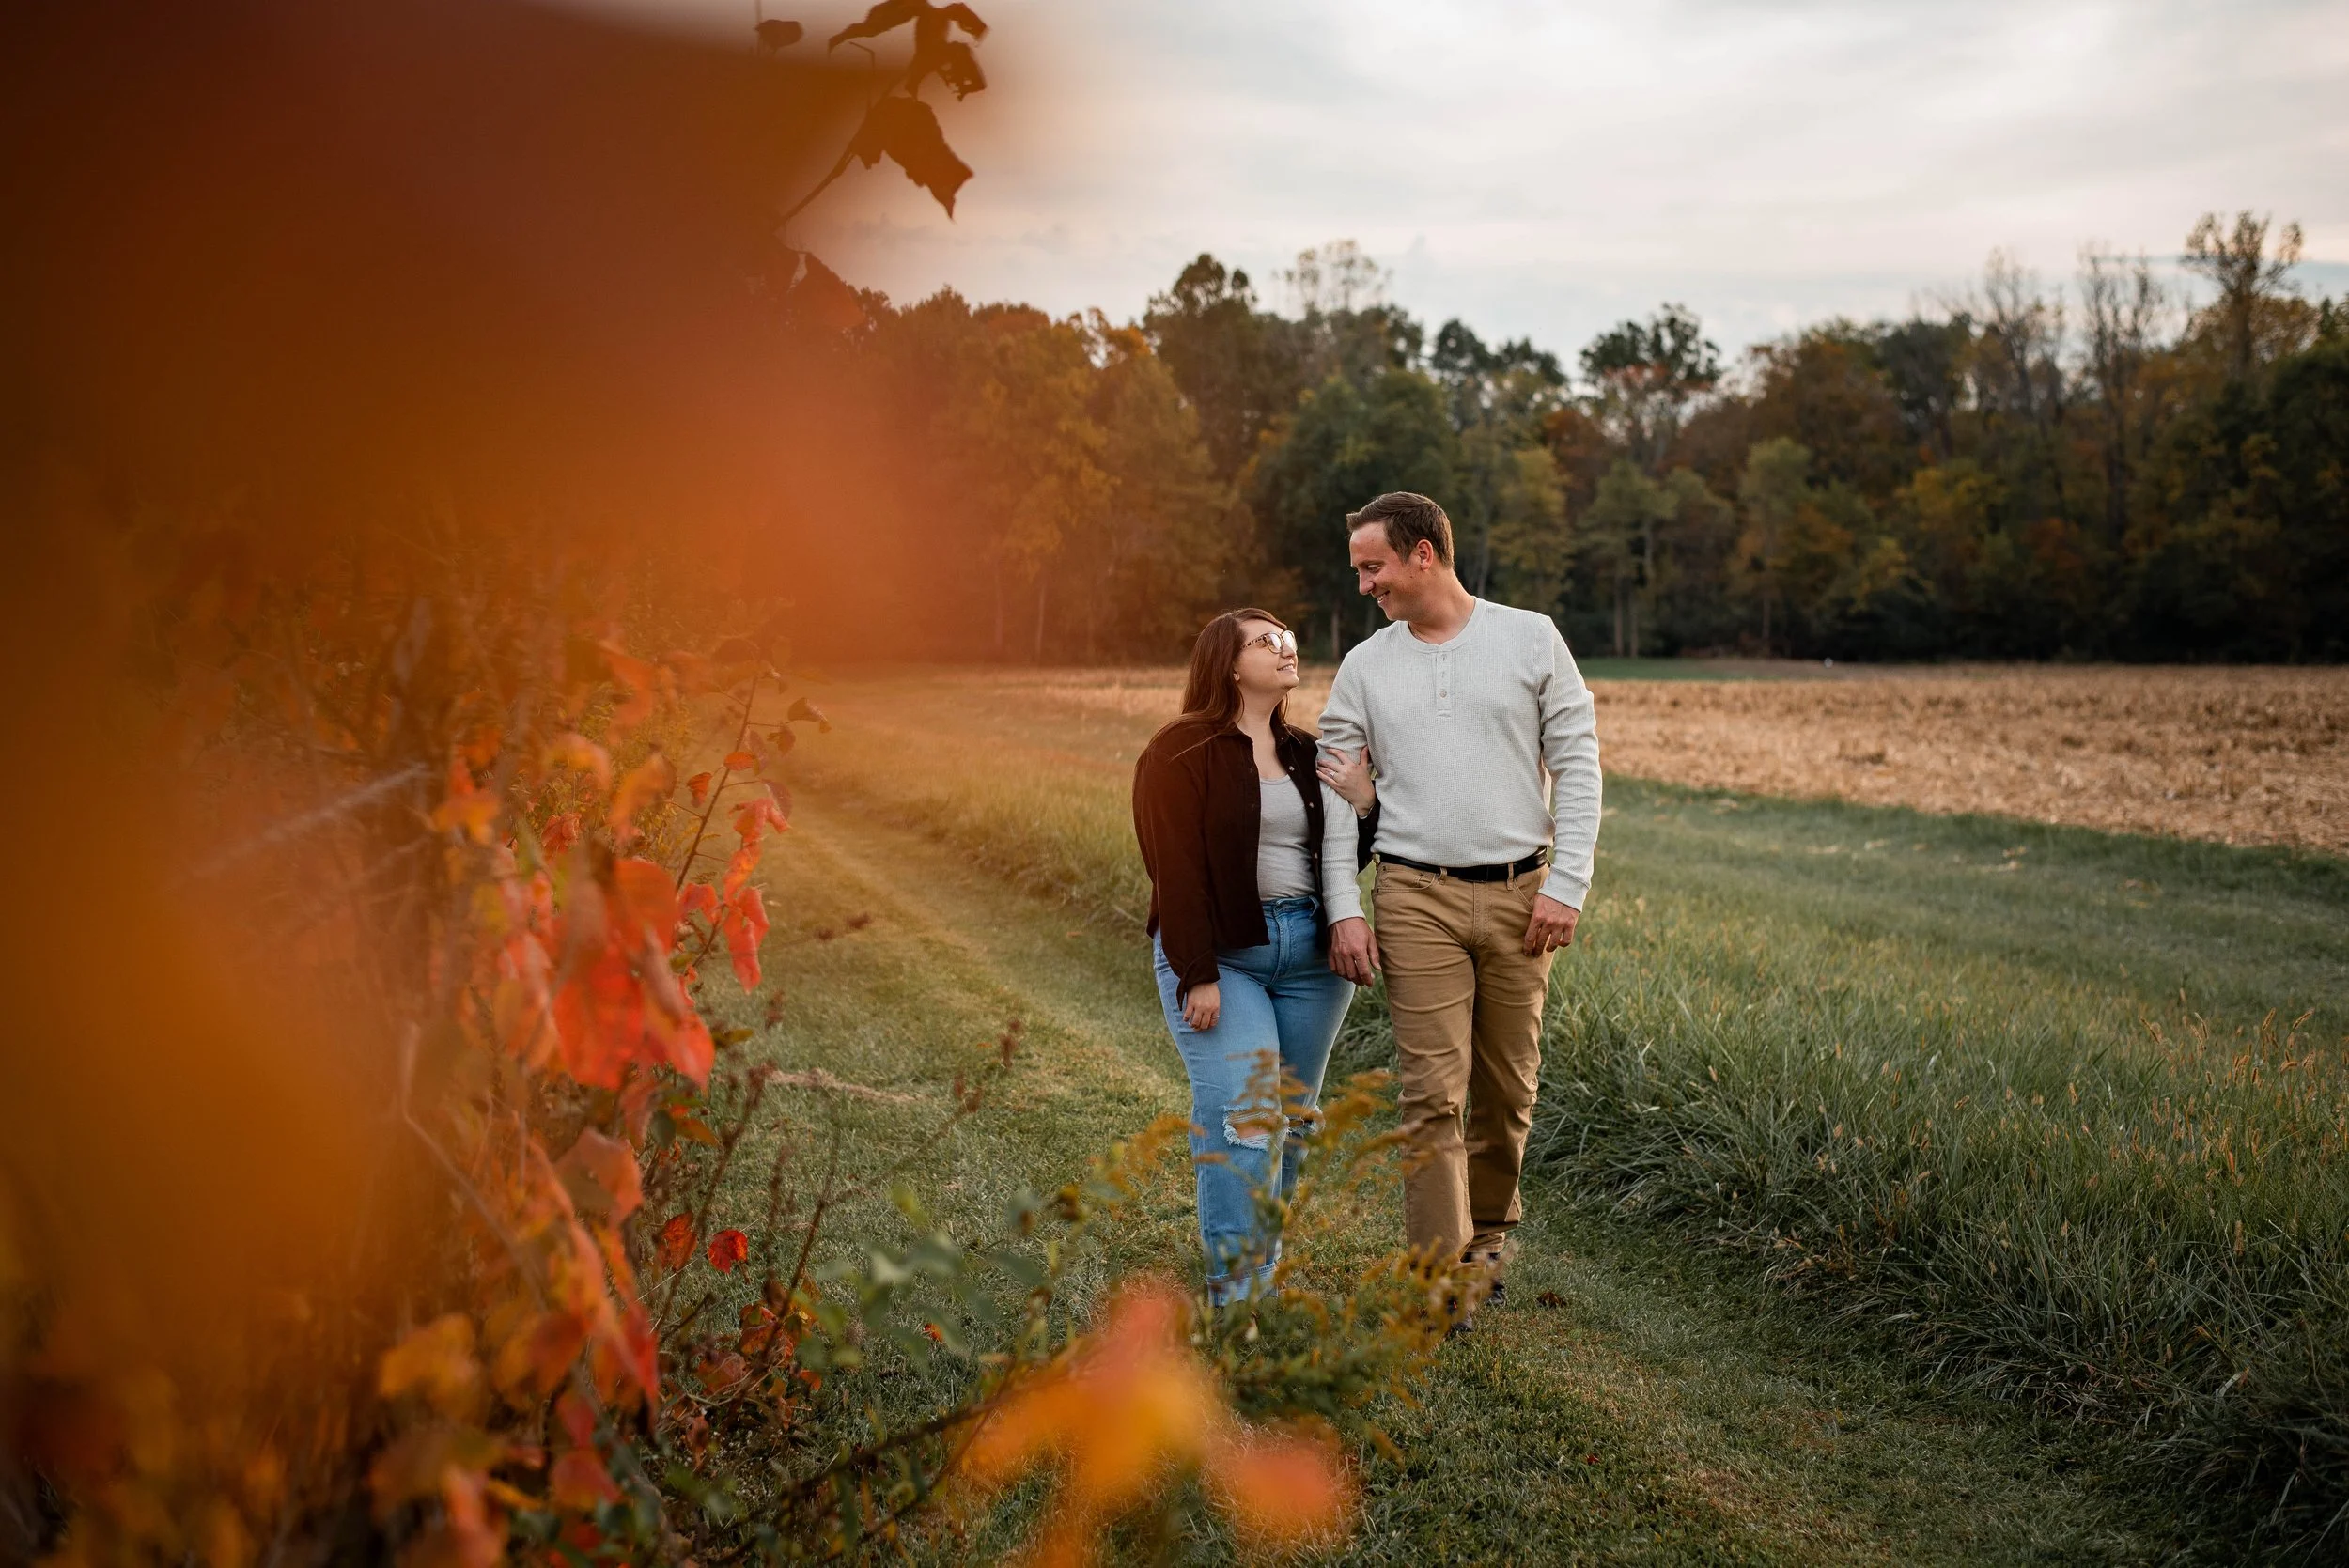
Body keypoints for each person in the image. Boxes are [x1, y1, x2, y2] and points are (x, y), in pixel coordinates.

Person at [1313, 492, 1600, 1327]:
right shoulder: (1365, 666)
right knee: (1432, 1094)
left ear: (1424, 554)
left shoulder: (1531, 637)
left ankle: (1488, 1247)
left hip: (1523, 896)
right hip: (1414, 896)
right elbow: (1334, 792)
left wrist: (1567, 884)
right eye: (1359, 569)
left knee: (1507, 1092)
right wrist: (1343, 906)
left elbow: (1579, 765)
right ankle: (1441, 1277)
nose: (1365, 584)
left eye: (1373, 566)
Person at [1132, 609, 1377, 1305]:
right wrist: (1197, 972)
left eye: (1287, 638)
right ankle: (1237, 1296)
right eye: (1265, 642)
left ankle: (1261, 1273)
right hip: (1225, 956)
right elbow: (1174, 870)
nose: (1284, 648)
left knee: (1291, 1122)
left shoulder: (1306, 751)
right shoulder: (1178, 751)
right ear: (1230, 665)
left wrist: (1365, 805)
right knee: (1247, 1119)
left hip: (1311, 961)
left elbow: (1341, 857)